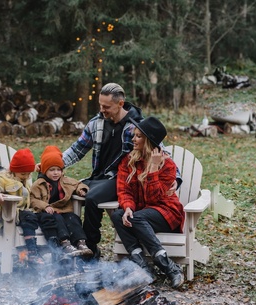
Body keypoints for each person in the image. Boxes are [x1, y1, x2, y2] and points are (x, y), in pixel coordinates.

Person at [62, 83, 181, 259]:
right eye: (100, 105)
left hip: (121, 179)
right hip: (97, 178)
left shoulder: (137, 127)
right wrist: (54, 163)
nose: (102, 110)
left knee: (93, 197)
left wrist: (176, 178)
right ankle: (73, 243)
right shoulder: (96, 124)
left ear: (120, 103)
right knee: (66, 191)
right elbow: (77, 149)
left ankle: (90, 247)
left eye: (106, 106)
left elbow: (161, 152)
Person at [110, 116, 185, 288]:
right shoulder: (128, 161)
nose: (133, 139)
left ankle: (169, 267)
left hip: (166, 212)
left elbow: (155, 199)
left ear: (149, 141)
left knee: (136, 218)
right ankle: (143, 267)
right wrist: (128, 207)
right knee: (119, 216)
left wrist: (152, 169)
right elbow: (124, 190)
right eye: (134, 135)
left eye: (138, 136)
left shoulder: (167, 165)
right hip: (141, 214)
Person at [0, 148, 44, 266]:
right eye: (22, 174)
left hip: (26, 214)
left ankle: (55, 252)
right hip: (10, 217)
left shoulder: (25, 176)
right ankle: (32, 252)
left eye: (28, 174)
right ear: (14, 170)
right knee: (29, 217)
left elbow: (28, 169)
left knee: (45, 217)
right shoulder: (3, 178)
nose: (26, 177)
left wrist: (39, 169)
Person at [30, 146, 93, 260]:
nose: (56, 173)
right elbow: (33, 199)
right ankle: (65, 243)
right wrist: (45, 206)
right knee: (57, 219)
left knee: (73, 218)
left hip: (64, 211)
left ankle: (81, 243)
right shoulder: (39, 184)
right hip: (47, 213)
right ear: (44, 170)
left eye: (58, 170)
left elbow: (78, 184)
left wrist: (81, 190)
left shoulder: (65, 181)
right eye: (52, 170)